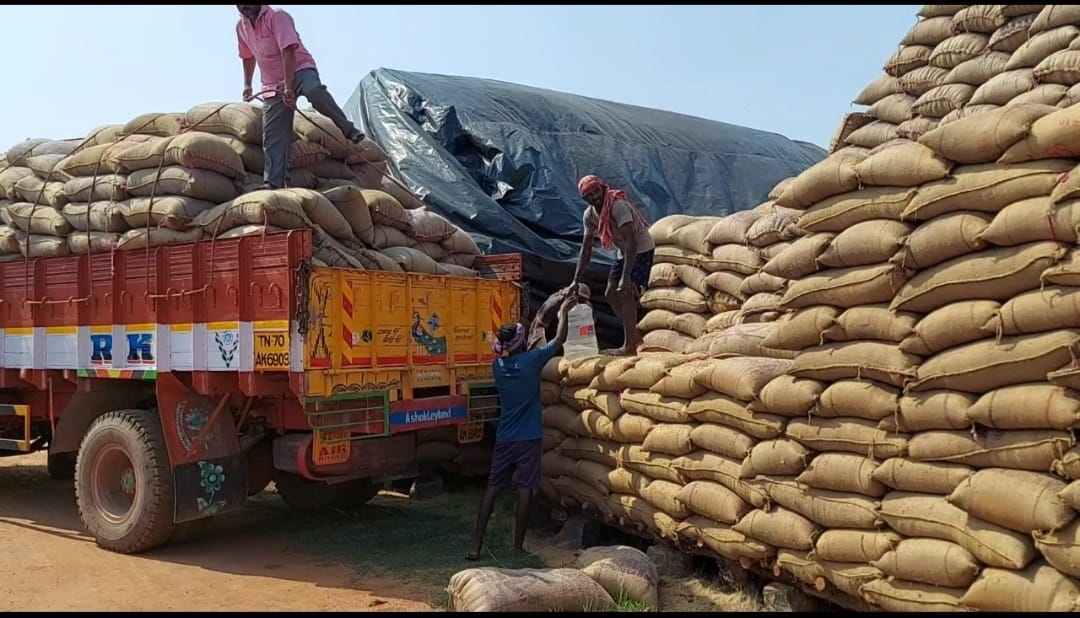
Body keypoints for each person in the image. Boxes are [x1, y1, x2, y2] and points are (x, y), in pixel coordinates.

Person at [466, 296, 574, 561]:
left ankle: (475, 546)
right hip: (529, 438)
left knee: (493, 488)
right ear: (519, 343)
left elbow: (524, 350)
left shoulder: (498, 367)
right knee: (526, 490)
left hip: (505, 438)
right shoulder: (532, 362)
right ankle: (517, 546)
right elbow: (559, 340)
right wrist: (564, 312)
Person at [235, 5, 367, 190]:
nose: (243, 7)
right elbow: (248, 56)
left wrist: (289, 88)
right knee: (273, 135)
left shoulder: (277, 16)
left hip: (300, 69)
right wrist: (247, 84)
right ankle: (273, 184)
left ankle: (347, 128)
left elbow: (287, 51)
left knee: (314, 92)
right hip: (273, 84)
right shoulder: (241, 27)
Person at [569, 174, 655, 356]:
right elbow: (586, 249)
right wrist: (575, 280)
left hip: (640, 250)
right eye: (589, 195)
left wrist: (625, 277)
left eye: (597, 192)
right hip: (622, 252)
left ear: (603, 188)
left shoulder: (617, 206)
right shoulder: (590, 215)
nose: (595, 197)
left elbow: (631, 241)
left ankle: (629, 346)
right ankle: (634, 335)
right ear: (584, 199)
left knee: (626, 293)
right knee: (610, 293)